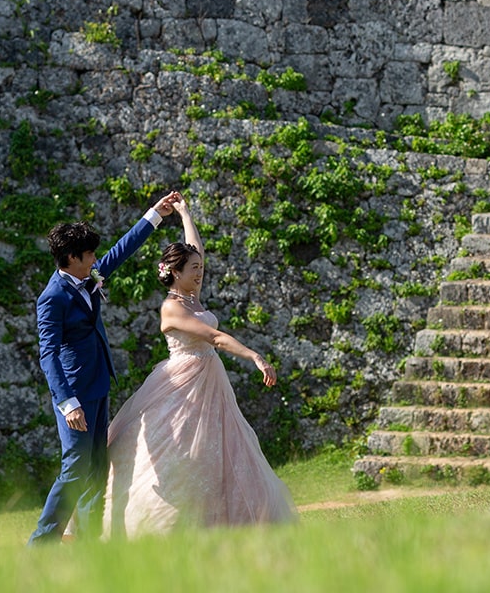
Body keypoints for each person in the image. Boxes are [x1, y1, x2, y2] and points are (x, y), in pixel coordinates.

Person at [101, 196, 297, 539]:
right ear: (175, 274)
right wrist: (254, 356)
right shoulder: (172, 308)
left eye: (200, 269)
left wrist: (184, 213)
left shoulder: (192, 294)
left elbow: (196, 250)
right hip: (182, 386)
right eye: (194, 270)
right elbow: (215, 337)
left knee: (224, 447)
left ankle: (230, 522)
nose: (200, 272)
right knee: (180, 452)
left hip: (210, 383)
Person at [27, 191, 182, 546]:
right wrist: (67, 403)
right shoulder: (51, 298)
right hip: (75, 394)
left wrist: (154, 215)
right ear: (71, 258)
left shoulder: (90, 275)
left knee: (96, 470)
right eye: (90, 254)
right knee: (75, 467)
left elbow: (120, 251)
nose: (97, 259)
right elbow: (47, 354)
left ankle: (88, 543)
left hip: (98, 383)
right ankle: (41, 544)